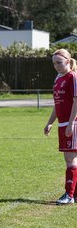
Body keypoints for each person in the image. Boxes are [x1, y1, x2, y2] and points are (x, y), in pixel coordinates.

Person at [44, 48, 77, 205]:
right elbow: (57, 105)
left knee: (70, 159)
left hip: (73, 123)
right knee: (71, 158)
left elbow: (76, 102)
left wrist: (71, 123)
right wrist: (50, 122)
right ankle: (74, 194)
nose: (56, 66)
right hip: (62, 124)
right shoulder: (58, 79)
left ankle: (69, 195)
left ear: (68, 61)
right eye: (54, 63)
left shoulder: (73, 77)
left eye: (59, 62)